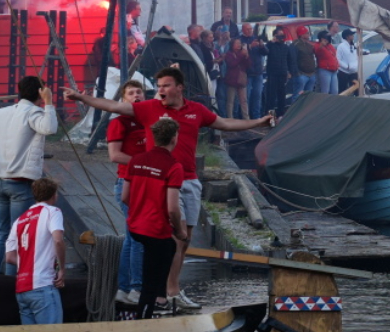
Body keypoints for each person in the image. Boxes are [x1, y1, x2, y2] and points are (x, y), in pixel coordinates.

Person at [68, 67, 274, 310]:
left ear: (179, 87)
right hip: (163, 181)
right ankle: (166, 291)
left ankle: (167, 288)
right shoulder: (150, 109)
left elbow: (225, 123)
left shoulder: (196, 110)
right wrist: (82, 98)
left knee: (183, 241)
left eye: (165, 85)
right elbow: (114, 107)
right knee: (172, 239)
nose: (160, 90)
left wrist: (259, 122)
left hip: (190, 181)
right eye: (158, 86)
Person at [0, 75, 57, 274]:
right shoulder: (34, 113)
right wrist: (49, 102)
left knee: (3, 233)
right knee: (18, 234)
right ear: (40, 92)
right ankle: (12, 283)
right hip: (20, 181)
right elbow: (50, 128)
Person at [126, 117, 186, 316]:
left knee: (170, 247)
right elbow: (172, 209)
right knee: (150, 281)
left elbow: (125, 196)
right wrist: (180, 230)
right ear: (174, 138)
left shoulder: (136, 160)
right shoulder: (173, 166)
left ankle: (160, 296)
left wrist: (141, 209)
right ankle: (144, 318)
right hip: (155, 230)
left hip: (135, 226)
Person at [106, 80, 149, 305]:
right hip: (127, 183)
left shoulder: (148, 119)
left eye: (139, 92)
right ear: (124, 99)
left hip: (145, 183)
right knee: (138, 237)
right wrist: (145, 163)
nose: (136, 96)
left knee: (132, 238)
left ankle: (125, 289)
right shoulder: (119, 122)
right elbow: (114, 155)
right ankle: (135, 288)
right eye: (131, 93)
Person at [3, 176, 65, 325]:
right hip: (43, 285)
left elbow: (9, 257)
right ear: (53, 195)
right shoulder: (53, 211)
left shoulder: (19, 220)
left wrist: (30, 262)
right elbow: (58, 240)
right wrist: (62, 269)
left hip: (22, 289)